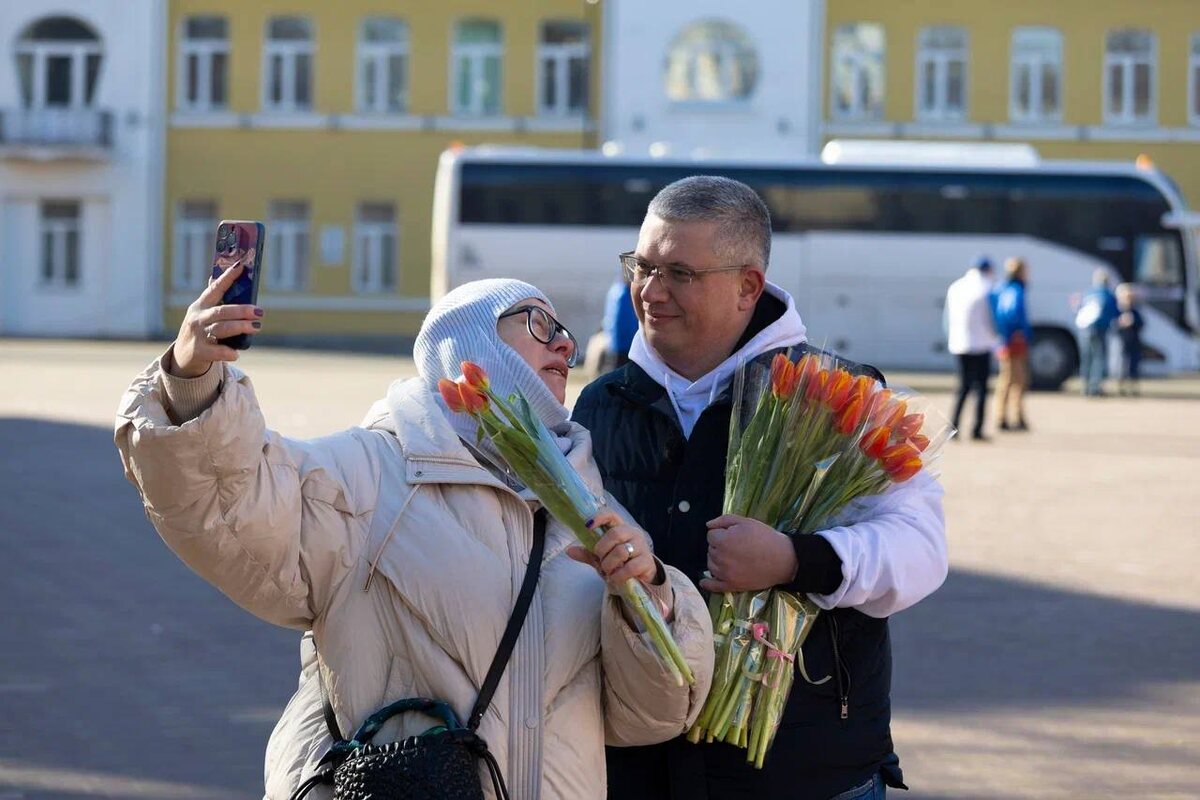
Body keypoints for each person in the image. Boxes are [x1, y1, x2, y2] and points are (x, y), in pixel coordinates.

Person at [114, 272, 714, 800]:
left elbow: (649, 716)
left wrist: (650, 596)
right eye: (537, 323)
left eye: (564, 332)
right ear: (467, 341)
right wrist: (192, 379)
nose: (564, 343)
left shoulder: (591, 510)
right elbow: (229, 504)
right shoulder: (369, 472)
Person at [572, 176, 948, 800]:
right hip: (637, 768)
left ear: (748, 286)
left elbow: (920, 549)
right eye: (642, 266)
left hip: (805, 772)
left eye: (680, 274)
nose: (651, 291)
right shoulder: (600, 402)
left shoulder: (839, 396)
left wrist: (795, 560)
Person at [944, 255, 999, 441]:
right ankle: (977, 429)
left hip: (959, 343)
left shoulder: (955, 287)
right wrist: (996, 340)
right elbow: (993, 319)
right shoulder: (988, 288)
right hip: (982, 344)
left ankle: (953, 426)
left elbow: (947, 318)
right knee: (981, 388)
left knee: (963, 387)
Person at [992, 257, 1033, 431]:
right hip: (1014, 341)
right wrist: (1016, 332)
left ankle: (1006, 415)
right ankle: (1012, 416)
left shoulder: (1001, 288)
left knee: (1008, 380)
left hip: (1005, 340)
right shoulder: (1016, 290)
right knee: (1016, 380)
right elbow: (1011, 312)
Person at [1076, 269, 1121, 397]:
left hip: (1084, 330)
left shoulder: (1088, 293)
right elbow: (1115, 314)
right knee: (1098, 358)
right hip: (1099, 330)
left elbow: (1079, 310)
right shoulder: (1108, 295)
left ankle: (1085, 386)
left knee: (1086, 358)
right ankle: (1095, 387)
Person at [600, 271, 639, 373]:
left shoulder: (615, 289)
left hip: (613, 342)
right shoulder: (625, 293)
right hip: (625, 344)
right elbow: (628, 322)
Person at [1115, 282, 1145, 396]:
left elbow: (1142, 324)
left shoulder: (1135, 311)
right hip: (1123, 343)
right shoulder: (1118, 311)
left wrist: (1133, 322)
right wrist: (1121, 323)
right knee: (1122, 366)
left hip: (1134, 343)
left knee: (1134, 366)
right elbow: (1114, 327)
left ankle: (1133, 388)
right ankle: (1121, 387)